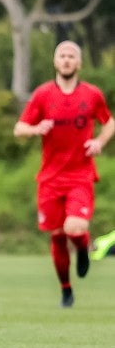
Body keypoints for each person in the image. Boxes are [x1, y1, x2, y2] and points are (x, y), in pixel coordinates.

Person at [14, 40, 114, 308]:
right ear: (55, 61)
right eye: (62, 55)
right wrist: (36, 129)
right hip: (49, 179)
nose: (67, 60)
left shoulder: (92, 95)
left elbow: (109, 122)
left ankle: (83, 247)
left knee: (75, 227)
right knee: (57, 235)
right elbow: (19, 128)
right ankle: (66, 290)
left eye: (72, 56)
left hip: (80, 175)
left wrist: (100, 142)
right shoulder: (43, 95)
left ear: (79, 63)